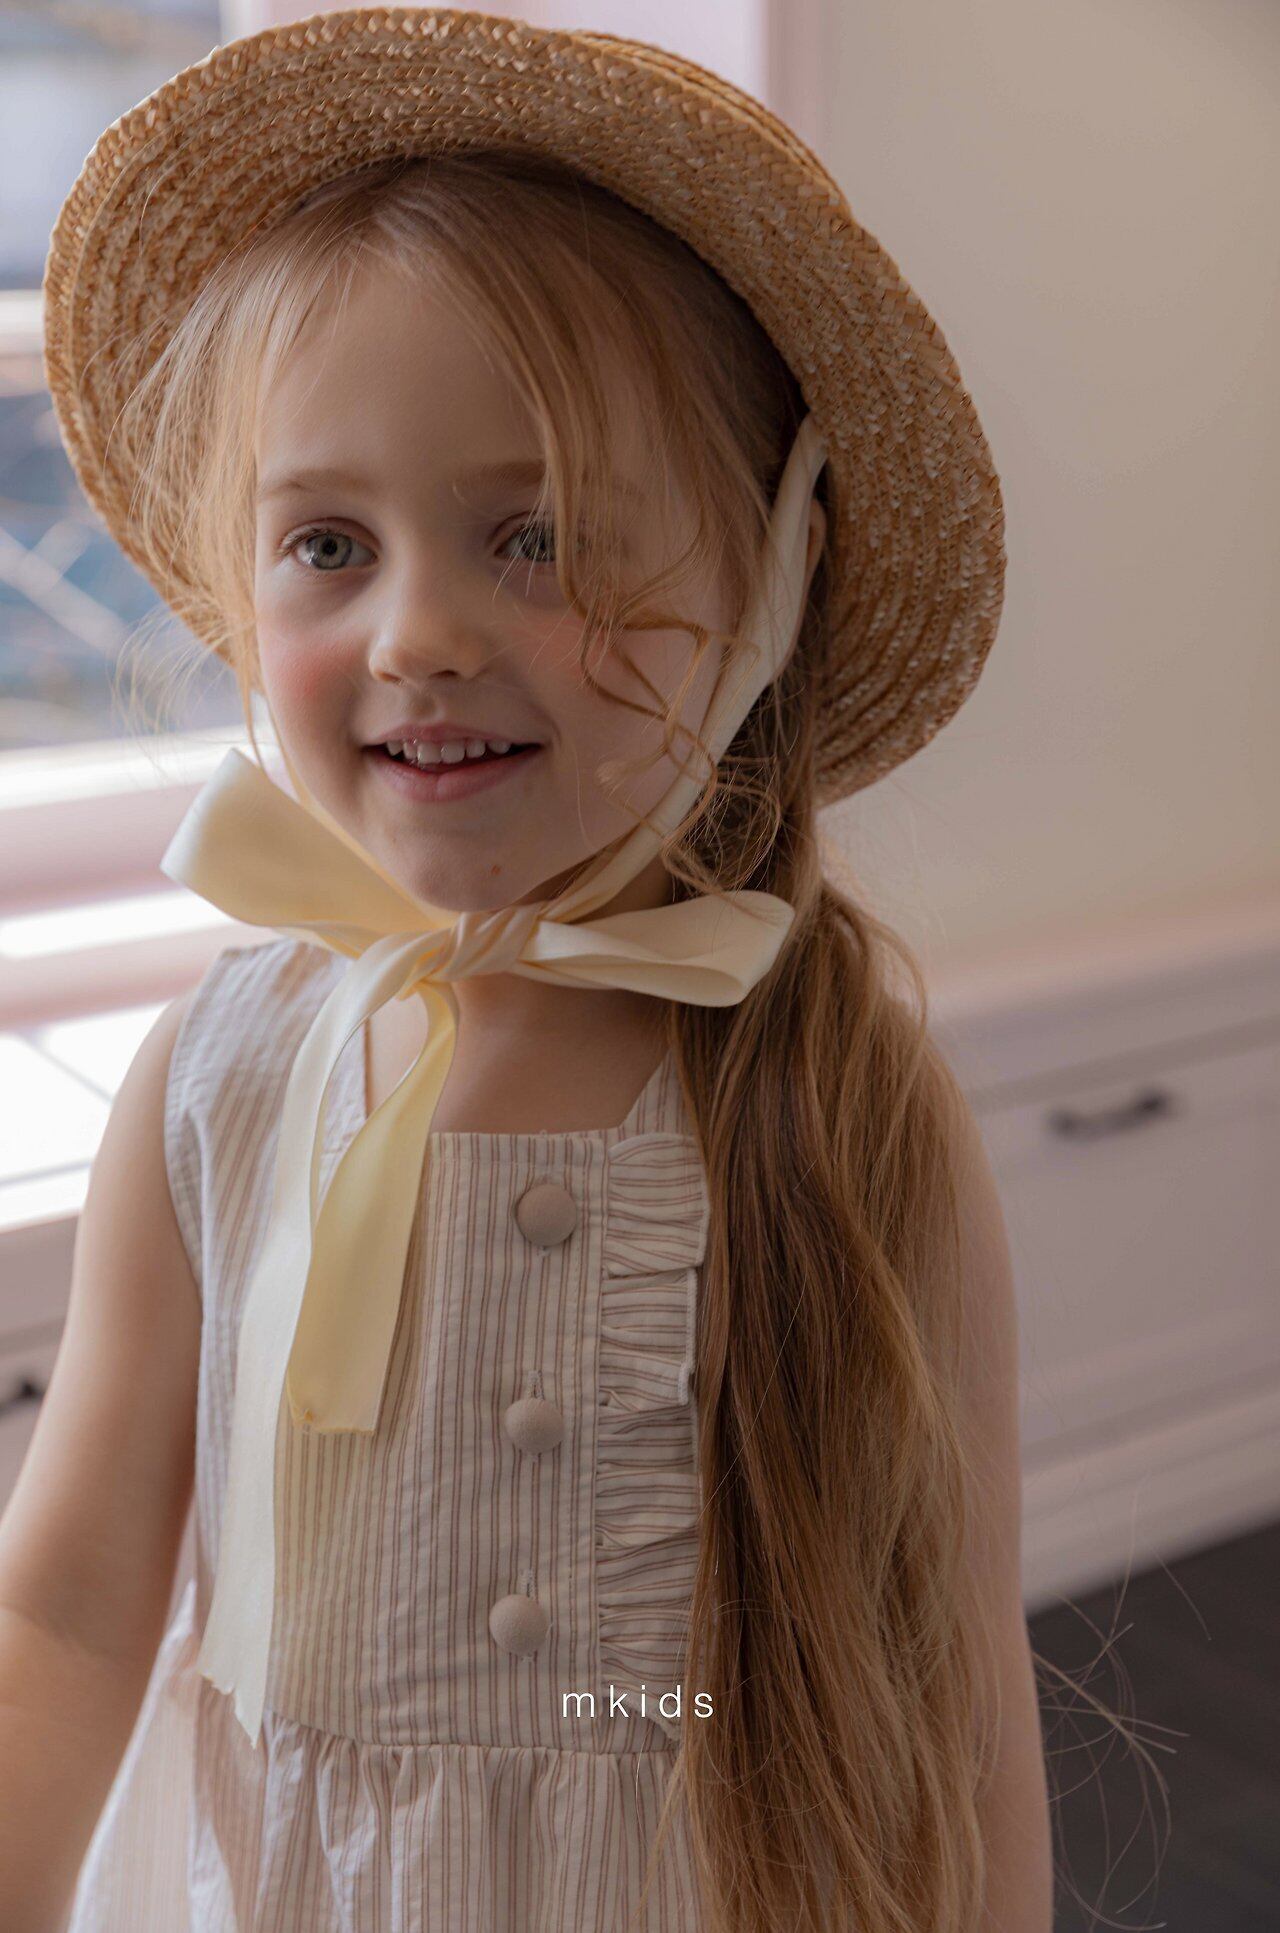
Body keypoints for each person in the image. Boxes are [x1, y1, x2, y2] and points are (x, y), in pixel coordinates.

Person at [0, 10, 1053, 1931]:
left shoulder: (840, 1091)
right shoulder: (217, 1082)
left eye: (537, 536)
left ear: (769, 578)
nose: (418, 632)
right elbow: (66, 1607)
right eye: (329, 542)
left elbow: (954, 1677)